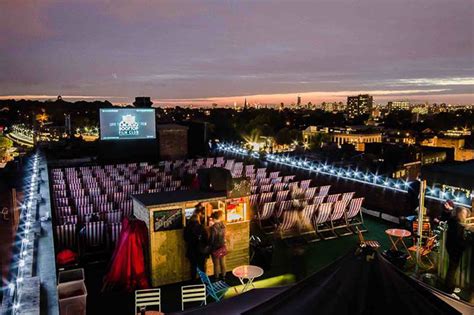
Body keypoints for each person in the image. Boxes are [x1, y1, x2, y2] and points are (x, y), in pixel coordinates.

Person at [445, 206, 471, 295]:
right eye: (464, 213)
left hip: (451, 248)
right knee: (452, 269)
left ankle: (450, 286)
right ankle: (449, 291)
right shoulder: (456, 225)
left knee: (452, 269)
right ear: (459, 214)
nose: (465, 215)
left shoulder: (453, 222)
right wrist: (467, 242)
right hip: (454, 249)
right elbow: (458, 240)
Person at [184, 205, 209, 280]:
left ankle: (193, 280)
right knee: (202, 266)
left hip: (191, 250)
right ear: (198, 219)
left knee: (193, 266)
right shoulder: (201, 227)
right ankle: (203, 280)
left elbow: (185, 238)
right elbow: (206, 238)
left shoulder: (187, 228)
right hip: (201, 250)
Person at [209, 210, 227, 280]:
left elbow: (212, 239)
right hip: (222, 246)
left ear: (213, 218)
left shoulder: (213, 227)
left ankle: (216, 278)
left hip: (215, 248)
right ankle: (224, 276)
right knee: (223, 263)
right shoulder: (223, 225)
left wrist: (209, 244)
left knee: (216, 264)